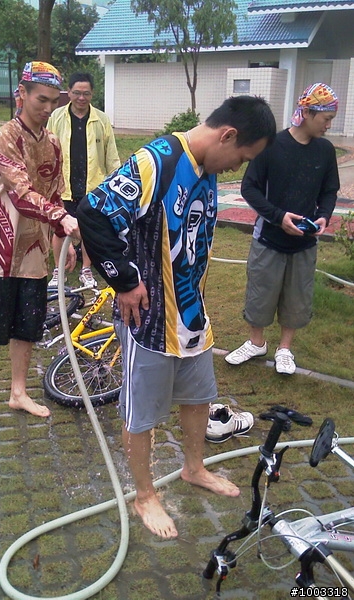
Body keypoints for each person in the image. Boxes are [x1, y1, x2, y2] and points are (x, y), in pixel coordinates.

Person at [76, 96, 277, 538]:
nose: (238, 167)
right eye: (242, 157)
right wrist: (124, 280)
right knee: (143, 414)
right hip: (148, 321)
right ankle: (144, 495)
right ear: (228, 135)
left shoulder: (206, 170)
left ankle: (193, 468)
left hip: (192, 317)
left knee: (199, 397)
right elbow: (92, 212)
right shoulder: (158, 161)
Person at [0, 61, 80, 444]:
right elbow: (22, 195)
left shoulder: (53, 143)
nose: (48, 107)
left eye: (53, 101)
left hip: (33, 251)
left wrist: (61, 235)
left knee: (27, 326)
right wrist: (61, 217)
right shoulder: (5, 138)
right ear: (22, 94)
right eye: (41, 99)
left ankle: (18, 392)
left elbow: (54, 194)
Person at [225, 82, 340, 375]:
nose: (328, 125)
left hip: (305, 242)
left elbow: (329, 190)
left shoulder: (325, 151)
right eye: (326, 119)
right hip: (269, 238)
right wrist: (278, 217)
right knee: (260, 293)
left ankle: (285, 349)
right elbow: (249, 188)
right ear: (308, 113)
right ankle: (256, 342)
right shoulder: (271, 146)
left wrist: (324, 216)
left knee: (296, 298)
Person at [46, 72, 121, 288]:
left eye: (86, 93)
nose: (81, 98)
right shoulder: (57, 117)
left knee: (89, 229)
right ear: (69, 92)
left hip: (92, 186)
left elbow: (111, 155)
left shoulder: (101, 120)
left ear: (92, 94)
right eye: (77, 93)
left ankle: (86, 269)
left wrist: (115, 182)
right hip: (64, 186)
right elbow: (47, 150)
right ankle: (59, 269)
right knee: (60, 228)